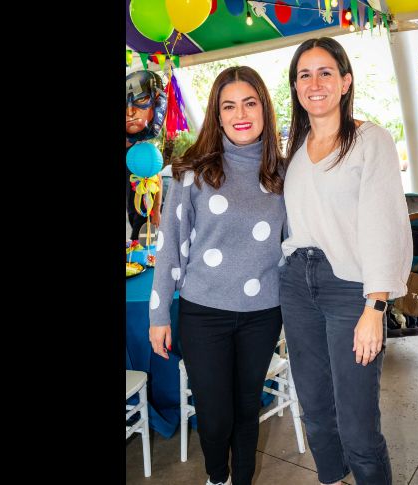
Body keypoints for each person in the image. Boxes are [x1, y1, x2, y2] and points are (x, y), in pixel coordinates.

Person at [279, 37, 413, 485]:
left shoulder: (369, 139)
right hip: (297, 284)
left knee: (357, 423)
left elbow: (384, 224)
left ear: (345, 81)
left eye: (325, 72)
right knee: (316, 411)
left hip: (348, 289)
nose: (314, 83)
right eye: (304, 74)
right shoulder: (293, 149)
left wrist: (375, 307)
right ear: (295, 87)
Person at [148, 66, 286, 485]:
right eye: (229, 105)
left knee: (247, 409)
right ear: (217, 114)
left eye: (249, 102)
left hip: (263, 314)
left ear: (263, 107)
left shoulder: (284, 174)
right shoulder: (192, 171)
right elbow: (169, 247)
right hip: (203, 313)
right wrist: (158, 317)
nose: (240, 113)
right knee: (213, 413)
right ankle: (217, 477)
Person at [126, 69, 168, 241]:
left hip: (147, 210)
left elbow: (157, 178)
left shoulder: (142, 151)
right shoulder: (133, 151)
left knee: (142, 244)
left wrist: (157, 211)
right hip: (132, 209)